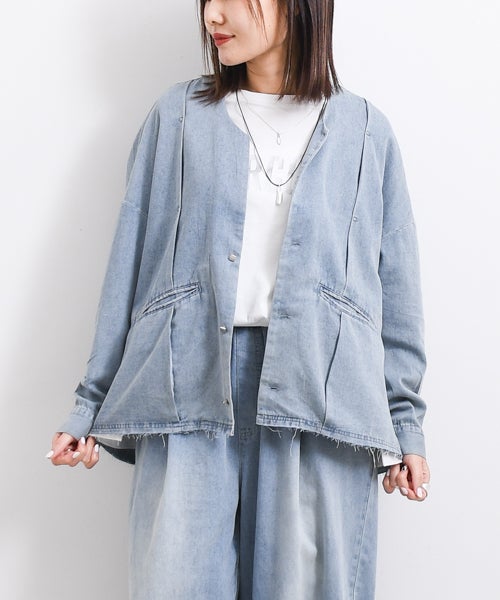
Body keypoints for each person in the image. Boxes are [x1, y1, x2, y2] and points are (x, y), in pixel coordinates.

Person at [47, 0, 431, 598]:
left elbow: (396, 291)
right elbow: (131, 264)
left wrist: (406, 426)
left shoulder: (366, 133)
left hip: (321, 405)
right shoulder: (177, 118)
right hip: (186, 392)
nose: (212, 16)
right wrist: (88, 404)